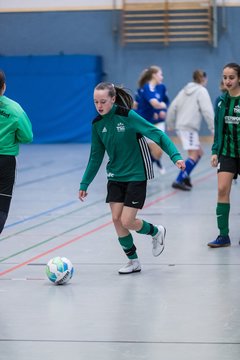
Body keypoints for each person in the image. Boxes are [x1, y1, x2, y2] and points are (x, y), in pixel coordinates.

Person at [79, 82, 185, 274]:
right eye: (96, 102)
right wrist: (85, 183)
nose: (99, 105)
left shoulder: (128, 116)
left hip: (136, 173)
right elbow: (95, 156)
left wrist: (175, 156)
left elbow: (157, 134)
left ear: (113, 99)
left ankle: (156, 231)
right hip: (115, 175)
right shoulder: (97, 124)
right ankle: (133, 261)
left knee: (128, 220)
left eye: (103, 101)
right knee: (116, 219)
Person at [207, 62, 240, 248]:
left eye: (231, 77)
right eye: (225, 77)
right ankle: (223, 236)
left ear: (239, 78)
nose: (227, 81)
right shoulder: (220, 101)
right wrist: (214, 151)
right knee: (222, 190)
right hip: (227, 153)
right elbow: (218, 128)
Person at [166, 69, 214, 190]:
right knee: (194, 155)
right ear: (204, 79)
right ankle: (178, 180)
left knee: (199, 153)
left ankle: (185, 175)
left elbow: (172, 106)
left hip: (182, 126)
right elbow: (207, 111)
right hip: (188, 127)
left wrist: (170, 122)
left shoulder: (184, 90)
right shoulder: (201, 91)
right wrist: (214, 129)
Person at [0, 70, 33, 235]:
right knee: (2, 204)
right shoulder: (14, 109)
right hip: (5, 161)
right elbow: (27, 136)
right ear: (4, 87)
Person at [134, 66, 169, 174]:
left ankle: (149, 163)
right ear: (152, 75)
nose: (162, 77)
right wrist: (158, 109)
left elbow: (165, 102)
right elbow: (140, 105)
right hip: (146, 123)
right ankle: (142, 168)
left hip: (158, 123)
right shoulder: (144, 89)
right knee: (155, 151)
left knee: (159, 152)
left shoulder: (162, 87)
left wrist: (162, 110)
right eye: (160, 74)